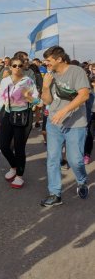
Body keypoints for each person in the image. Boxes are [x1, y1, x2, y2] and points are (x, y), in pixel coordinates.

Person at [40, 46, 90, 207]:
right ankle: (55, 194)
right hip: (54, 124)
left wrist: (64, 110)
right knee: (53, 159)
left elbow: (84, 95)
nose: (45, 62)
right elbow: (47, 101)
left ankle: (82, 181)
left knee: (75, 160)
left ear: (59, 59)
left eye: (48, 60)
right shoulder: (49, 75)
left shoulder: (76, 71)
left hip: (75, 124)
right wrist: (46, 86)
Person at [0, 56, 39, 189]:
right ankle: (14, 166)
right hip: (8, 114)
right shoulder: (5, 81)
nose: (17, 68)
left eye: (20, 65)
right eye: (14, 65)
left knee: (19, 147)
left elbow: (37, 101)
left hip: (23, 116)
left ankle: (19, 175)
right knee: (3, 145)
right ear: (10, 66)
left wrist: (28, 96)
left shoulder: (28, 81)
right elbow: (1, 98)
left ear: (24, 67)